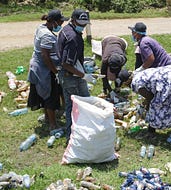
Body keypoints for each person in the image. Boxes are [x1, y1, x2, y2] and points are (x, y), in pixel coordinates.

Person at [57, 9, 95, 144]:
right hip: (70, 77)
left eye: (85, 24)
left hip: (72, 74)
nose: (83, 26)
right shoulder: (73, 38)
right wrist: (83, 75)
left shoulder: (67, 30)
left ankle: (74, 136)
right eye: (81, 23)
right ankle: (76, 137)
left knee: (73, 105)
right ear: (73, 20)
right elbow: (67, 64)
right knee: (77, 106)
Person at [27, 9, 69, 131]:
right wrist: (55, 71)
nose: (61, 25)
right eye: (60, 22)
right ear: (54, 22)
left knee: (45, 94)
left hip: (40, 65)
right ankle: (53, 124)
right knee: (50, 95)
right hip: (43, 68)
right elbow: (45, 56)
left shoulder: (42, 27)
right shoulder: (47, 35)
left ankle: (47, 117)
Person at [131, 65, 171, 139]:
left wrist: (147, 106)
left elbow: (151, 98)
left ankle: (151, 132)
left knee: (156, 105)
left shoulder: (136, 84)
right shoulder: (139, 75)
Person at [100, 35, 128, 100]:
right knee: (105, 74)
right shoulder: (105, 60)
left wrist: (118, 86)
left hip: (120, 42)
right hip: (106, 40)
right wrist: (110, 91)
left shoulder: (123, 59)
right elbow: (103, 76)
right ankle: (104, 89)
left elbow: (120, 72)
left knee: (119, 74)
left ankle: (117, 87)